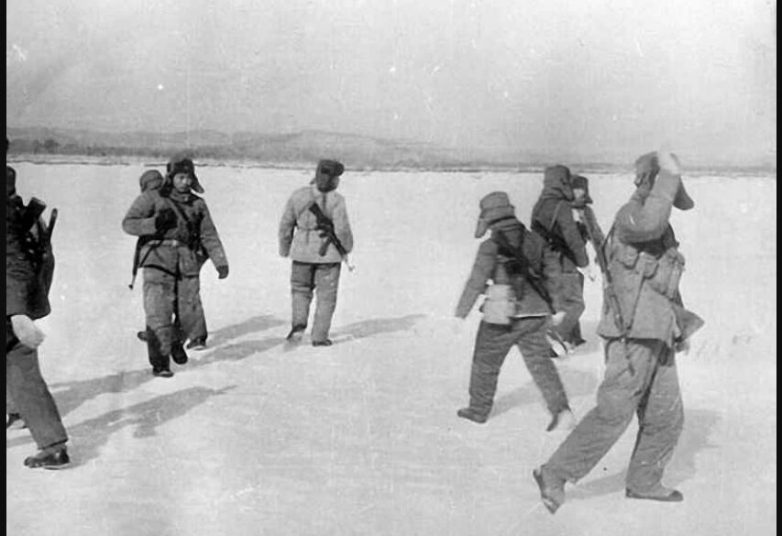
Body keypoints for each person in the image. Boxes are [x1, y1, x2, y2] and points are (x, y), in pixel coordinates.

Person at [533, 149, 704, 514]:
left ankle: (644, 482)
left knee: (666, 417)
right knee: (614, 413)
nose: (670, 196)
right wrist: (668, 176)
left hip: (658, 334)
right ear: (651, 183)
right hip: (631, 337)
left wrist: (680, 325)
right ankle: (553, 473)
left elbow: (665, 286)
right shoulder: (631, 217)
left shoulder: (662, 229)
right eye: (666, 186)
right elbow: (650, 222)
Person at [454, 191, 574, 431]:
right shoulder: (536, 240)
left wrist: (461, 313)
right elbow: (553, 273)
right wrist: (558, 306)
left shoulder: (490, 246)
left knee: (485, 362)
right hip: (536, 314)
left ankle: (478, 410)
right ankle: (561, 411)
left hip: (502, 317)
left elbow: (476, 281)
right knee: (540, 364)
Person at [122, 156, 229, 377]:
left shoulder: (198, 204)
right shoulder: (152, 198)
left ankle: (175, 341)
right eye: (181, 177)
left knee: (189, 314)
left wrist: (220, 261)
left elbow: (209, 234)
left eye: (189, 177)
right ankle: (161, 363)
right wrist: (154, 224)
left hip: (187, 263)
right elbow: (129, 223)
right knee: (158, 313)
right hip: (157, 261)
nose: (185, 182)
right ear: (171, 177)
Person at [6, 163, 70, 468]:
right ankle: (53, 445)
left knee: (21, 367)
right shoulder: (16, 210)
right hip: (14, 307)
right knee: (22, 370)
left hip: (11, 307)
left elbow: (14, 263)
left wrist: (18, 312)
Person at [130, 169, 208, 350]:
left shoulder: (155, 199)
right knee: (185, 296)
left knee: (162, 296)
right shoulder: (169, 196)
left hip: (177, 254)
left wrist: (152, 225)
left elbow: (132, 225)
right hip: (189, 253)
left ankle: (176, 334)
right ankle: (189, 335)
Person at [278, 159, 353, 346]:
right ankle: (319, 337)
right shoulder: (337, 200)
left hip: (301, 254)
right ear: (335, 179)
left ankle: (298, 324)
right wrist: (347, 248)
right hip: (328, 256)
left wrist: (285, 248)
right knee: (326, 297)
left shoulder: (298, 196)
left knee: (300, 290)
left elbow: (286, 225)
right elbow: (342, 230)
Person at [530, 165, 590, 355]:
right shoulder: (561, 206)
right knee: (576, 304)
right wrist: (584, 263)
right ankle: (554, 335)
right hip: (563, 262)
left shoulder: (539, 205)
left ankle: (555, 344)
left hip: (544, 263)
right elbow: (572, 237)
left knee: (557, 305)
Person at [565, 174, 606, 347]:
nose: (578, 193)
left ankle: (573, 336)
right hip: (561, 258)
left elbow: (595, 233)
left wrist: (602, 252)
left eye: (581, 189)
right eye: (575, 189)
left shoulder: (586, 212)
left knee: (575, 298)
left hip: (578, 260)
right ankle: (565, 336)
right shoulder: (562, 209)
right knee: (565, 299)